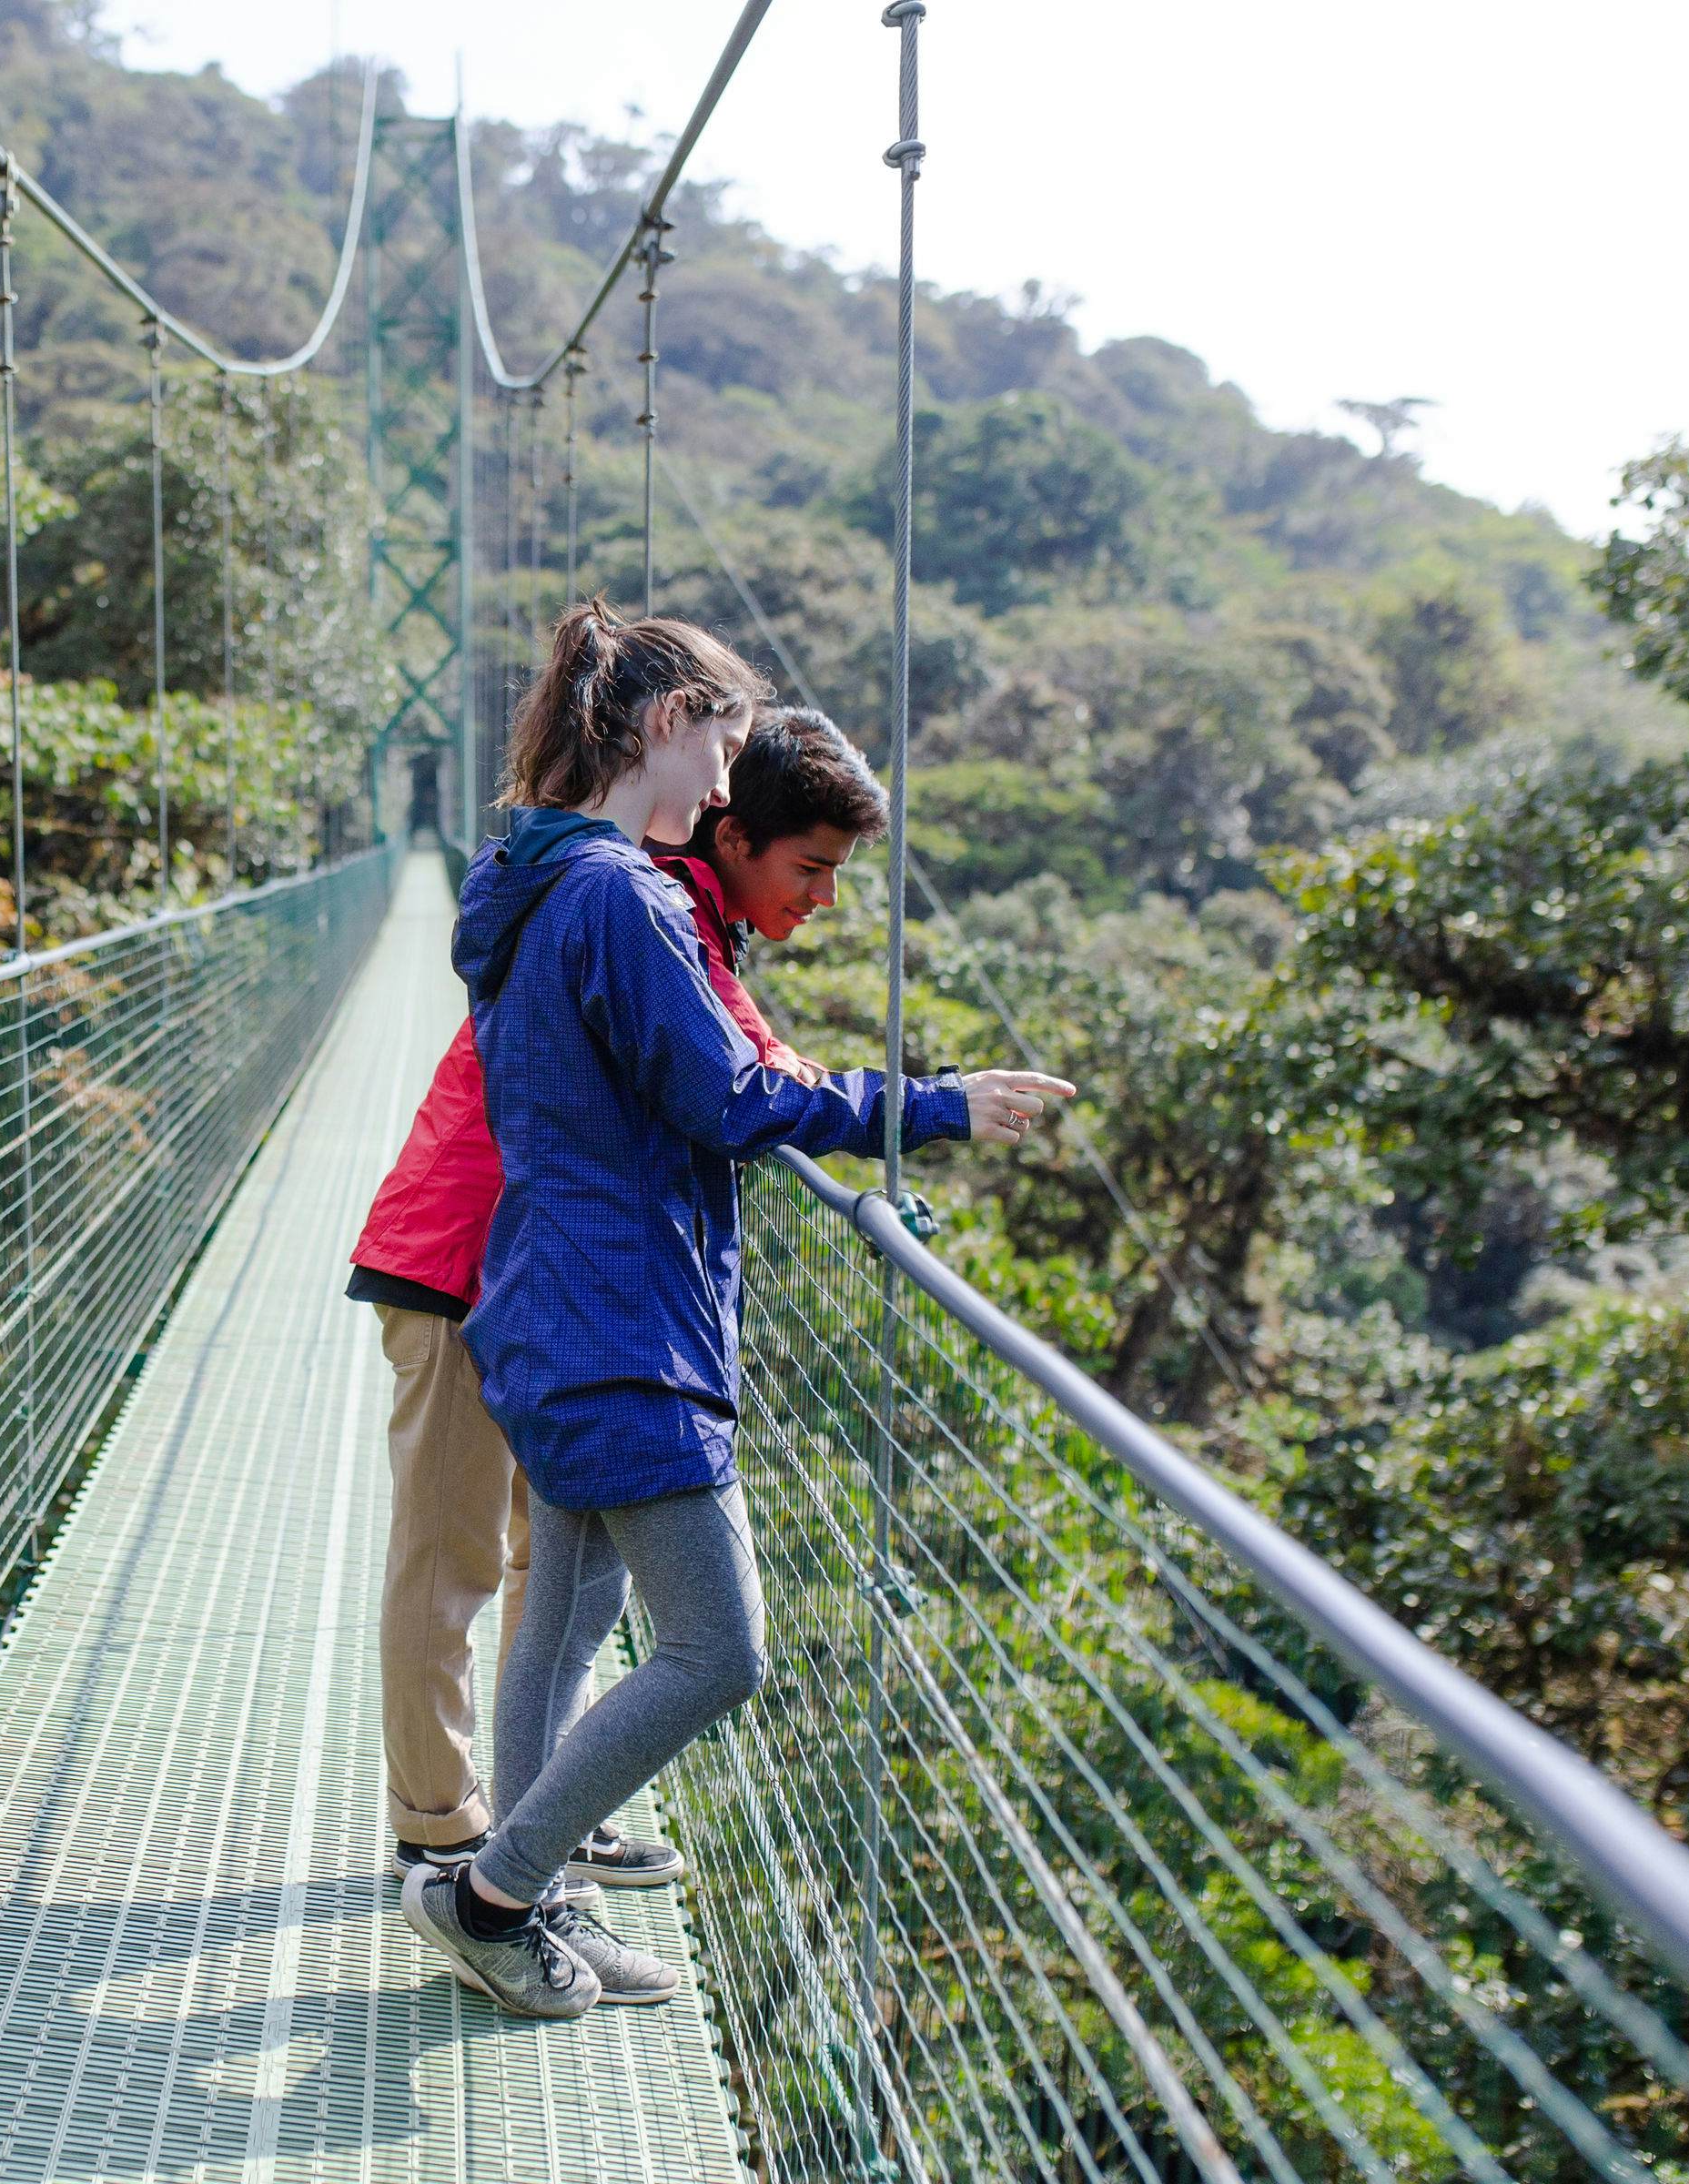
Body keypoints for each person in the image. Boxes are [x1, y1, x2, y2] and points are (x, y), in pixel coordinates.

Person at [395, 602, 1072, 2020]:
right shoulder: (620, 897)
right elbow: (728, 1094)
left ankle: (536, 1912)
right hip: (621, 1322)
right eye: (720, 745)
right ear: (660, 724)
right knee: (719, 1650)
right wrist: (936, 1106)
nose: (723, 786)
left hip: (555, 1301)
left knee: (567, 1631)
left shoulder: (539, 878)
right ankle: (493, 1892)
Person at [346, 722, 865, 1902]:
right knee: (455, 1556)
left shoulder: (661, 901)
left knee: (559, 1572)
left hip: (546, 1270)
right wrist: (898, 1107)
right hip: (461, 1254)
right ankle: (445, 1834)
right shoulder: (639, 897)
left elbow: (746, 1056)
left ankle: (539, 1827)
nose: (719, 780)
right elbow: (744, 1076)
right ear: (723, 823)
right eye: (810, 868)